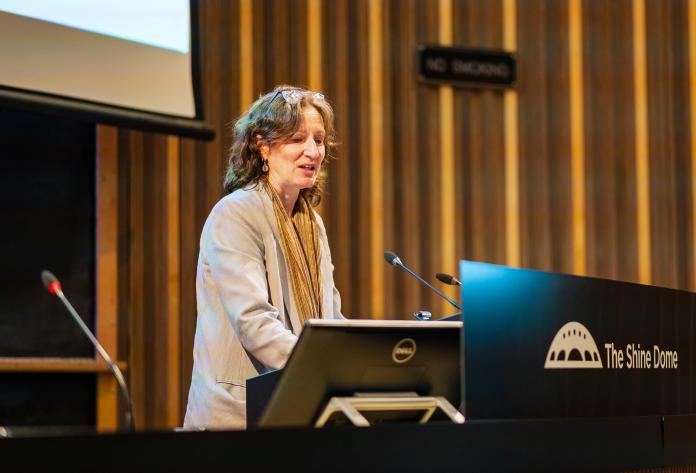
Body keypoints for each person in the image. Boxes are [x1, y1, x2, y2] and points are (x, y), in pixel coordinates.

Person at [183, 86, 344, 429]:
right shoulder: (235, 214)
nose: (312, 151)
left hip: (298, 409)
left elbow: (331, 319)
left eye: (319, 140)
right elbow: (253, 322)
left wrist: (357, 364)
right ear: (263, 145)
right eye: (298, 139)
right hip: (237, 417)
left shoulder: (311, 224)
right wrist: (328, 368)